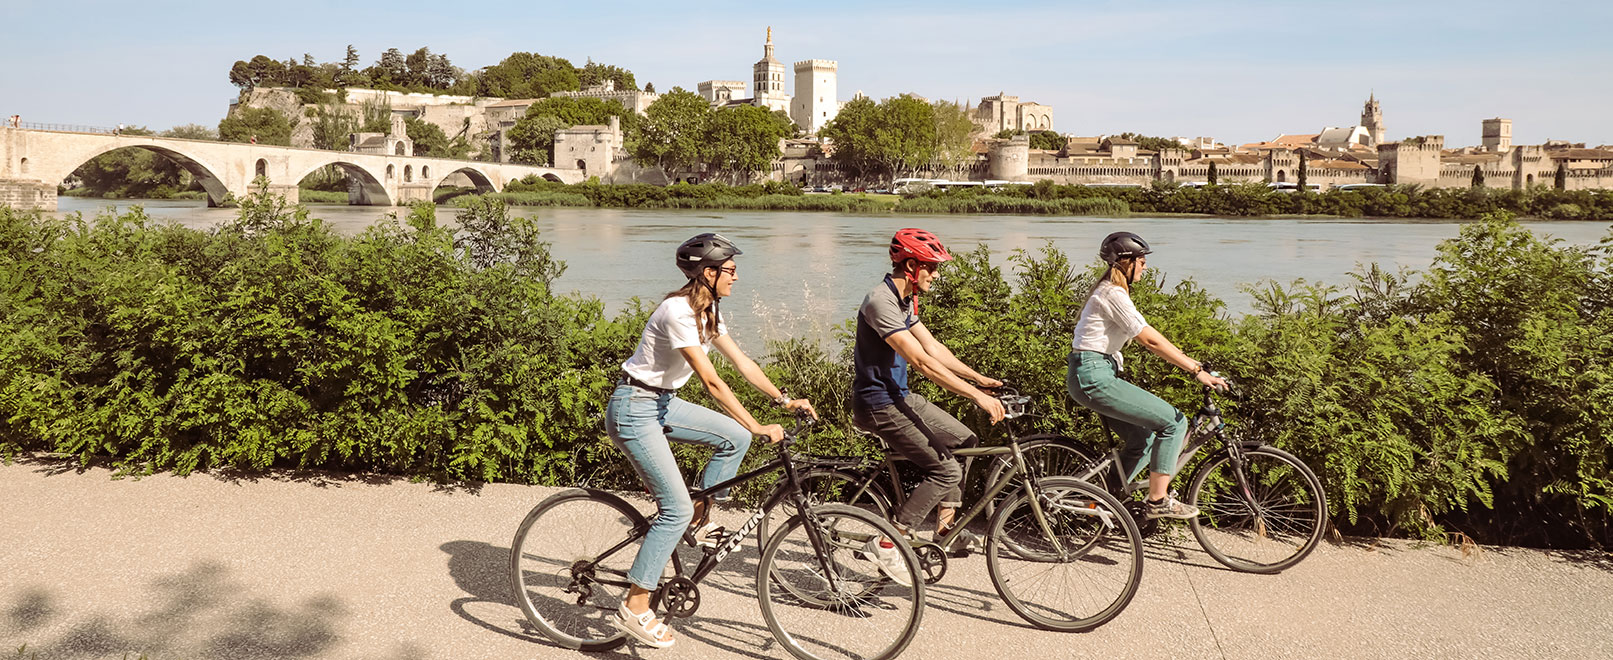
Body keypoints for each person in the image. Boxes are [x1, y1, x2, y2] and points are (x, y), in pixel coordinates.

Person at [606, 232, 817, 649]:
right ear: (708, 272)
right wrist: (759, 424)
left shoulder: (709, 313)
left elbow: (741, 363)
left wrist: (784, 399)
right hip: (634, 409)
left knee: (733, 436)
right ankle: (635, 605)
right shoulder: (676, 311)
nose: (737, 277)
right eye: (731, 270)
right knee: (674, 507)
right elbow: (712, 381)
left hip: (663, 404)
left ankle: (698, 523)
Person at [852, 228, 1006, 575]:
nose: (935, 276)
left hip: (901, 396)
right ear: (910, 265)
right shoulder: (881, 301)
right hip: (878, 404)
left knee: (965, 440)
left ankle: (944, 529)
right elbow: (921, 362)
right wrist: (976, 396)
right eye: (931, 268)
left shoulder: (904, 299)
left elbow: (934, 349)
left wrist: (979, 379)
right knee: (947, 468)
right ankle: (887, 542)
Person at [1065, 231, 1226, 519]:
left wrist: (1191, 362)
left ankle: (1103, 500)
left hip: (1096, 374)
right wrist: (1196, 370)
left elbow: (1151, 338)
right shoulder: (1112, 293)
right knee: (1173, 423)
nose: (1145, 266)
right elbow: (1149, 340)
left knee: (1143, 441)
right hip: (1094, 376)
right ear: (1125, 262)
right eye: (1141, 260)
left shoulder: (1111, 291)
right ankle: (1157, 501)